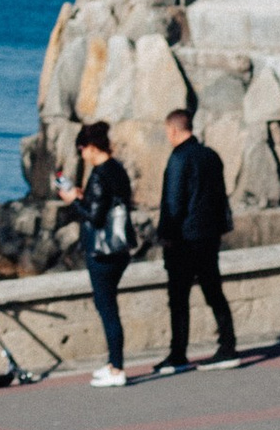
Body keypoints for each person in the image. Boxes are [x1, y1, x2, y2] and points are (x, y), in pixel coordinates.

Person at [157, 106, 240, 372]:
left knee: (178, 297)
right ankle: (228, 345)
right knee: (213, 290)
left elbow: (173, 202)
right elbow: (219, 196)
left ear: (173, 130)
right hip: (209, 235)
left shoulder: (178, 159)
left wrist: (166, 236)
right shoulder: (210, 156)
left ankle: (178, 353)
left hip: (184, 239)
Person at [58, 124, 137, 386]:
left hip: (103, 251)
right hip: (120, 248)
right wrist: (85, 197)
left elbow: (95, 216)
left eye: (82, 150)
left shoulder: (99, 175)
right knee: (108, 305)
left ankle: (117, 370)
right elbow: (112, 202)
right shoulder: (117, 169)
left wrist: (74, 201)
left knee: (107, 308)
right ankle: (114, 362)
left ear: (91, 148)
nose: (81, 156)